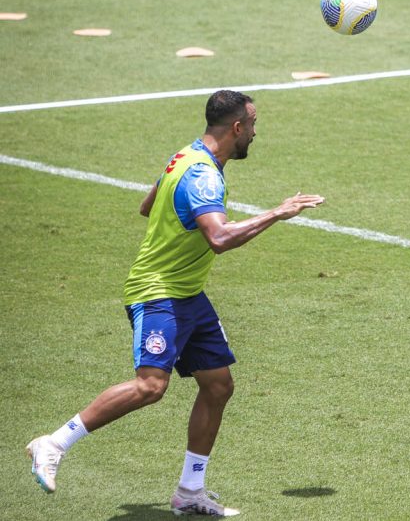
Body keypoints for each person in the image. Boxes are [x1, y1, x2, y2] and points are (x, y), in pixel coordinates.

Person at [26, 90, 325, 515]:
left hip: (187, 293)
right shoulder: (203, 174)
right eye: (253, 125)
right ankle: (53, 443)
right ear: (237, 127)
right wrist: (278, 212)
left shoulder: (184, 157)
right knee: (151, 386)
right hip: (159, 291)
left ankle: (189, 492)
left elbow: (149, 206)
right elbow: (219, 239)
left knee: (218, 385)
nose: (255, 133)